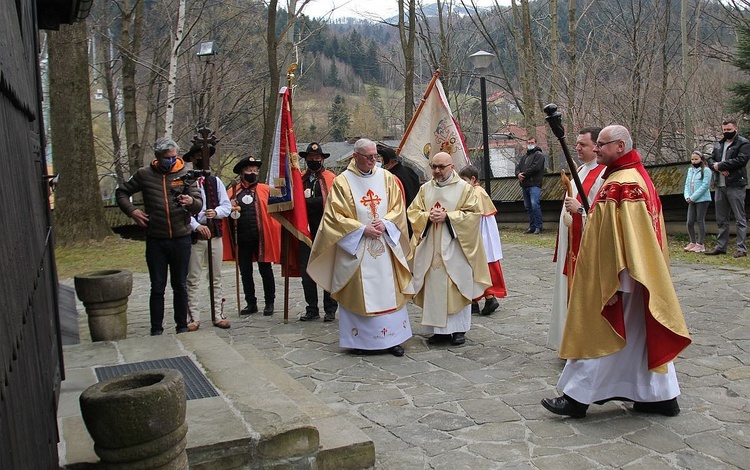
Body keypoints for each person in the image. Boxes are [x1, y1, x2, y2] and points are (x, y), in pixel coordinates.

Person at [541, 125, 691, 419]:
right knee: (639, 337)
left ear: (620, 146)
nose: (596, 149)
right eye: (595, 145)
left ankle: (576, 398)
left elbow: (622, 240)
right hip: (637, 277)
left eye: (602, 144)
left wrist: (614, 283)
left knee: (600, 332)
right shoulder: (636, 177)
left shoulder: (622, 184)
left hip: (621, 279)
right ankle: (660, 396)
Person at [306, 138, 414, 357]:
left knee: (388, 289)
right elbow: (334, 217)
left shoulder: (387, 178)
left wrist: (385, 223)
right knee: (360, 291)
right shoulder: (343, 182)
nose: (373, 161)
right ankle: (361, 341)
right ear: (355, 156)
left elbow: (398, 208)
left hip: (385, 244)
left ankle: (393, 339)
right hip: (358, 248)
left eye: (376, 157)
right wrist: (361, 229)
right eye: (368, 157)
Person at [115, 137, 203, 336]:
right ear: (157, 157)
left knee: (180, 284)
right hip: (156, 238)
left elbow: (198, 203)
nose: (170, 161)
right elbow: (121, 192)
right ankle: (156, 329)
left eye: (173, 157)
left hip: (181, 237)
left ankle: (181, 326)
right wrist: (132, 211)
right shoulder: (144, 175)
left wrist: (190, 201)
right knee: (157, 286)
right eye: (166, 158)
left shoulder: (185, 174)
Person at [408, 152, 491, 346]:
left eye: (441, 167)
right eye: (433, 167)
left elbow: (473, 215)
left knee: (457, 284)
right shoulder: (425, 189)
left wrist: (448, 217)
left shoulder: (464, 189)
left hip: (456, 247)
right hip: (431, 247)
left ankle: (458, 330)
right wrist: (427, 216)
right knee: (434, 288)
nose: (436, 171)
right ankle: (438, 331)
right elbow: (413, 212)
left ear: (451, 166)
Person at [547, 127, 607, 351]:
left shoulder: (603, 174)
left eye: (583, 144)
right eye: (578, 144)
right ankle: (569, 341)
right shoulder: (580, 170)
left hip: (586, 246)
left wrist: (581, 209)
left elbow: (605, 212)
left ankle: (585, 343)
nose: (578, 148)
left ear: (596, 146)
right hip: (570, 244)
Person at [182, 144, 232, 330]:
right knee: (193, 277)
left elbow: (226, 206)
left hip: (215, 235)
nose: (201, 159)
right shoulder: (185, 182)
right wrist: (196, 226)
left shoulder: (215, 181)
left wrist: (216, 212)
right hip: (195, 236)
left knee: (216, 276)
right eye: (198, 156)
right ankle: (193, 317)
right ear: (193, 159)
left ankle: (217, 315)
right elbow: (182, 209)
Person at [225, 156, 281, 316]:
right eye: (249, 170)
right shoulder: (232, 192)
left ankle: (269, 302)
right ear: (242, 172)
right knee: (245, 271)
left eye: (255, 170)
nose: (252, 173)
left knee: (265, 270)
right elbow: (225, 214)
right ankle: (251, 303)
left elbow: (284, 202)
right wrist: (231, 209)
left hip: (262, 237)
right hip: (242, 237)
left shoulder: (267, 189)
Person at [457, 164, 507, 316]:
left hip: (480, 235)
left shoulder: (475, 193)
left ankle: (487, 297)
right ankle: (475, 301)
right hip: (483, 235)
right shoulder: (477, 191)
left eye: (464, 180)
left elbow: (473, 217)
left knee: (478, 268)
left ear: (473, 179)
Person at [298, 142, 338, 322]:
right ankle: (311, 308)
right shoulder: (299, 179)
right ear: (306, 160)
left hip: (327, 232)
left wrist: (311, 202)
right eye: (310, 159)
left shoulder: (332, 178)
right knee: (307, 273)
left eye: (317, 159)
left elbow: (336, 203)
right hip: (305, 233)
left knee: (328, 271)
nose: (314, 161)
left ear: (322, 159)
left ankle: (330, 309)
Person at [705, 119, 749, 258]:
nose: (726, 132)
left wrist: (721, 166)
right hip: (720, 184)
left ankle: (741, 248)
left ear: (736, 128)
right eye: (724, 130)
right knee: (721, 218)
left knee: (739, 218)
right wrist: (716, 167)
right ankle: (721, 246)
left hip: (735, 184)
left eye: (729, 130)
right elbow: (710, 160)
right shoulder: (719, 143)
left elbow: (741, 160)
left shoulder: (743, 143)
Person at [515, 137, 546, 234]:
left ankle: (538, 226)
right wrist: (518, 174)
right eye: (528, 142)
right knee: (528, 206)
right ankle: (532, 226)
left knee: (534, 205)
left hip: (534, 184)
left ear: (536, 143)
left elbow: (535, 168)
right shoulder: (524, 157)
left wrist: (523, 175)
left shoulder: (539, 155)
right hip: (525, 184)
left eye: (532, 142)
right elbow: (518, 168)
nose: (530, 144)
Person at [683, 150, 712, 253]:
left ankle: (700, 244)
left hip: (702, 199)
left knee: (700, 220)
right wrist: (687, 196)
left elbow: (705, 186)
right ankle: (692, 242)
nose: (694, 161)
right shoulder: (690, 170)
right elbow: (687, 184)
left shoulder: (706, 170)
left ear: (701, 159)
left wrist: (693, 197)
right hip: (691, 199)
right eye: (692, 159)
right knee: (690, 221)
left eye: (696, 159)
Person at [377, 143, 421, 208]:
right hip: (414, 210)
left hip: (402, 211)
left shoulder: (391, 177)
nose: (382, 165)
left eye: (383, 161)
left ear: (390, 162)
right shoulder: (409, 170)